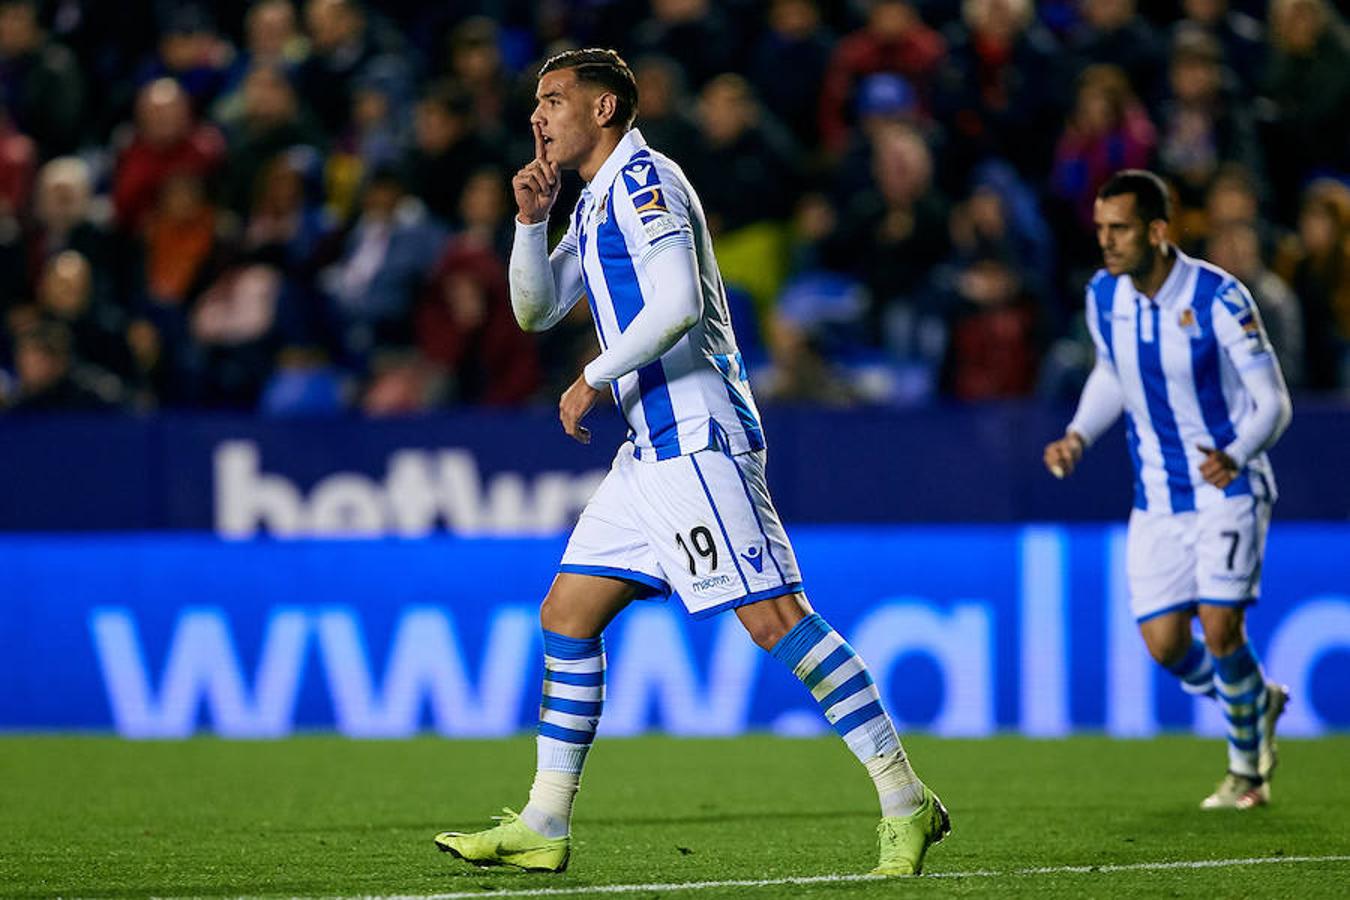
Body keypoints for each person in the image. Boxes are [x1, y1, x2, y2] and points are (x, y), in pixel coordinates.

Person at [432, 47, 949, 877]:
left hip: (698, 438)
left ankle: (905, 798)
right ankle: (545, 822)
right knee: (566, 615)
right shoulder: (596, 198)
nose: (539, 115)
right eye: (537, 101)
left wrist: (594, 377)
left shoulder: (645, 185)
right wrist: (531, 223)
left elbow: (674, 303)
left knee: (777, 622)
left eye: (555, 99)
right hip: (650, 453)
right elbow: (534, 310)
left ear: (605, 110)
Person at [1043, 170, 1292, 810]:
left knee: (1220, 627)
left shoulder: (1219, 298)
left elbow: (1274, 402)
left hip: (1228, 489)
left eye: (1119, 228)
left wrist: (1234, 454)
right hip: (1156, 496)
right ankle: (1254, 699)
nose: (1106, 242)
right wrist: (1077, 435)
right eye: (1100, 229)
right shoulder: (1104, 296)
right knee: (1165, 645)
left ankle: (1247, 774)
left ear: (1158, 231)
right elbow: (1111, 371)